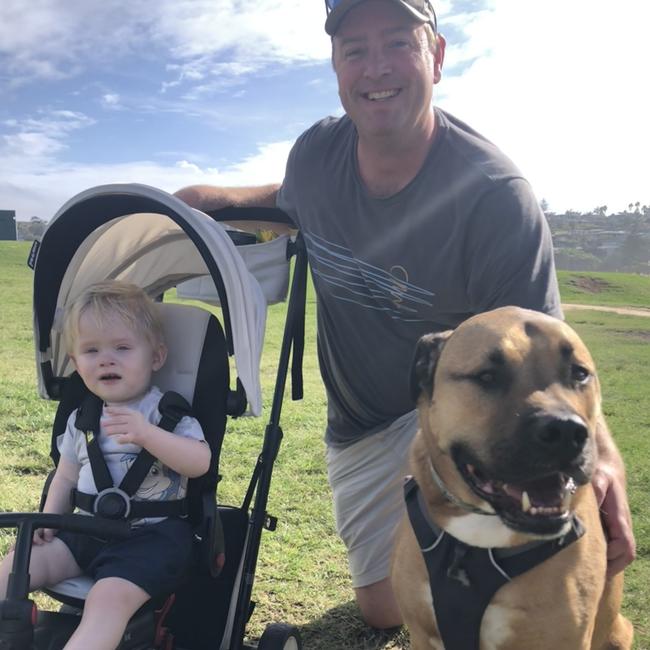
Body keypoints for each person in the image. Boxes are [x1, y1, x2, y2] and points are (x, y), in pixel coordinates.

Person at [174, 0, 635, 629]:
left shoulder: (494, 196)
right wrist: (200, 201)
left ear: (437, 56)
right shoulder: (315, 157)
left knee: (486, 596)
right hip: (360, 421)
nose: (375, 68)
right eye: (354, 50)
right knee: (384, 609)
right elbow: (285, 202)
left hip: (461, 403)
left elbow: (552, 359)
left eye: (398, 43)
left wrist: (605, 458)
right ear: (336, 66)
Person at [0, 281, 211, 650]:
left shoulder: (168, 414)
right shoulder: (82, 418)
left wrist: (149, 435)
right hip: (82, 530)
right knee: (14, 566)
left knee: (106, 600)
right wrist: (47, 520)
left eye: (122, 348)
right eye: (91, 350)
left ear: (156, 357)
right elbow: (65, 475)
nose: (105, 359)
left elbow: (199, 463)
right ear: (78, 366)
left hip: (150, 539)